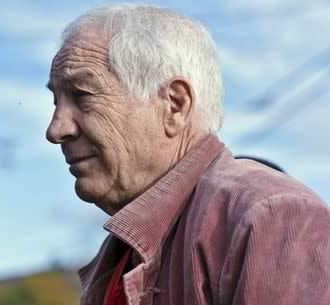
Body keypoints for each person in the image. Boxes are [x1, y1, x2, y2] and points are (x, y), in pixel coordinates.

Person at [45, 4, 330, 305]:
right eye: (56, 101)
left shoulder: (270, 217)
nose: (55, 129)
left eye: (82, 95)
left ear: (175, 106)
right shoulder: (125, 251)